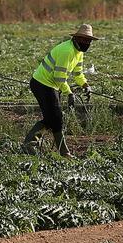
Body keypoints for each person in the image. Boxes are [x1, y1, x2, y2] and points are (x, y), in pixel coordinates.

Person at [25, 24, 98, 157]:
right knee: (56, 118)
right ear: (76, 38)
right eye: (84, 39)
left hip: (51, 85)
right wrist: (69, 93)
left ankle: (30, 143)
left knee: (52, 118)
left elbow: (78, 74)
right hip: (42, 84)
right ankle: (63, 152)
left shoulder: (79, 52)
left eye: (89, 41)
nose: (87, 43)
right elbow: (59, 77)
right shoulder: (67, 51)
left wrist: (85, 85)